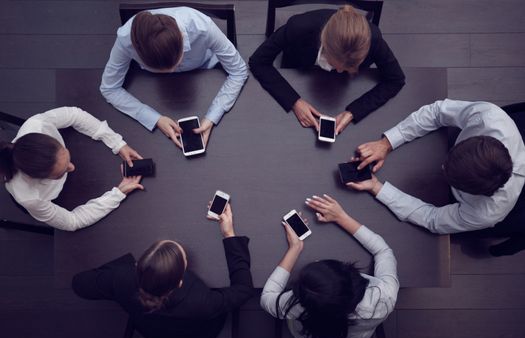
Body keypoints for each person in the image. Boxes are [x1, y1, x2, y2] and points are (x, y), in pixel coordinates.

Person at [348, 99, 525, 256]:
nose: (441, 166)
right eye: (447, 162)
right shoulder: (490, 118)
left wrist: (377, 187)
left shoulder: (485, 213)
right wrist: (386, 143)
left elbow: (432, 218)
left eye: (447, 172)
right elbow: (438, 111)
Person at [72, 203, 254, 338]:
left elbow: (79, 284)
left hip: (155, 337)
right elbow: (243, 290)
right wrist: (229, 235)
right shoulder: (201, 301)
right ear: (180, 280)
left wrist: (122, 270)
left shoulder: (122, 279)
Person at [260, 194, 398, 338]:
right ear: (349, 275)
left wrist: (295, 248)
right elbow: (383, 251)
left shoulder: (295, 305)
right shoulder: (384, 298)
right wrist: (342, 217)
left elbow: (267, 298)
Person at [100, 7, 248, 149]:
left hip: (204, 69)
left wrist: (212, 117)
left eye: (175, 63)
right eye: (164, 69)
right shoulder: (126, 39)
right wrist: (154, 118)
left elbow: (239, 70)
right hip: (153, 84)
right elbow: (109, 88)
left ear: (182, 38)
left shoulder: (203, 27)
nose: (172, 71)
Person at [249, 5, 405, 135]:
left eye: (347, 68)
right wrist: (294, 101)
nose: (338, 71)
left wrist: (353, 112)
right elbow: (258, 61)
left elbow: (396, 79)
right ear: (323, 41)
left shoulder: (374, 39)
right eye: (335, 64)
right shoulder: (298, 27)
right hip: (297, 71)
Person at [0, 107, 144, 231]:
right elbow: (72, 221)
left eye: (66, 156)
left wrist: (117, 143)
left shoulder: (37, 124)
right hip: (53, 199)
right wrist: (118, 193)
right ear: (38, 178)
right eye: (60, 173)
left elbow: (75, 115)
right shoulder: (30, 198)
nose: (73, 167)